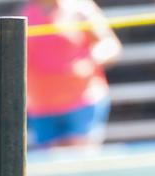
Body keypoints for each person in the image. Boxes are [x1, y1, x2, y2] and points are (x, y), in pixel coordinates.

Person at [21, 0, 122, 149]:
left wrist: (89, 62)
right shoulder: (25, 13)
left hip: (82, 102)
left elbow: (110, 45)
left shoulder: (80, 8)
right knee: (50, 166)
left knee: (80, 162)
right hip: (41, 107)